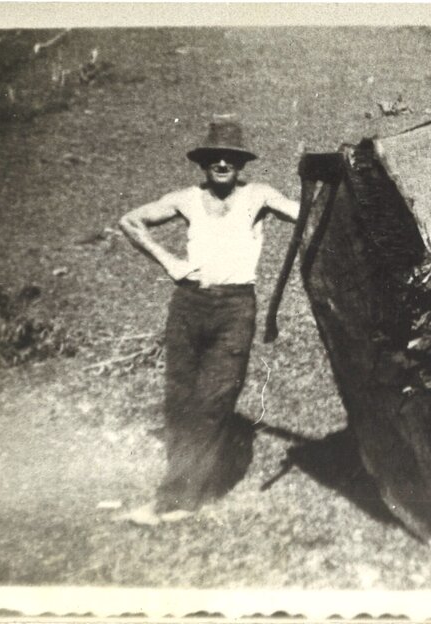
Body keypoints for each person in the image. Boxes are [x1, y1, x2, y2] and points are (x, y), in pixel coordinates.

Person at [117, 115, 300, 525]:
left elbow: (305, 212)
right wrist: (169, 262)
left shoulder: (259, 195)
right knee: (181, 400)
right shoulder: (186, 198)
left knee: (214, 402)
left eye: (230, 158)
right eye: (214, 157)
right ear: (204, 163)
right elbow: (131, 220)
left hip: (235, 309)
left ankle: (177, 499)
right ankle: (184, 490)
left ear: (241, 164)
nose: (222, 164)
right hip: (188, 306)